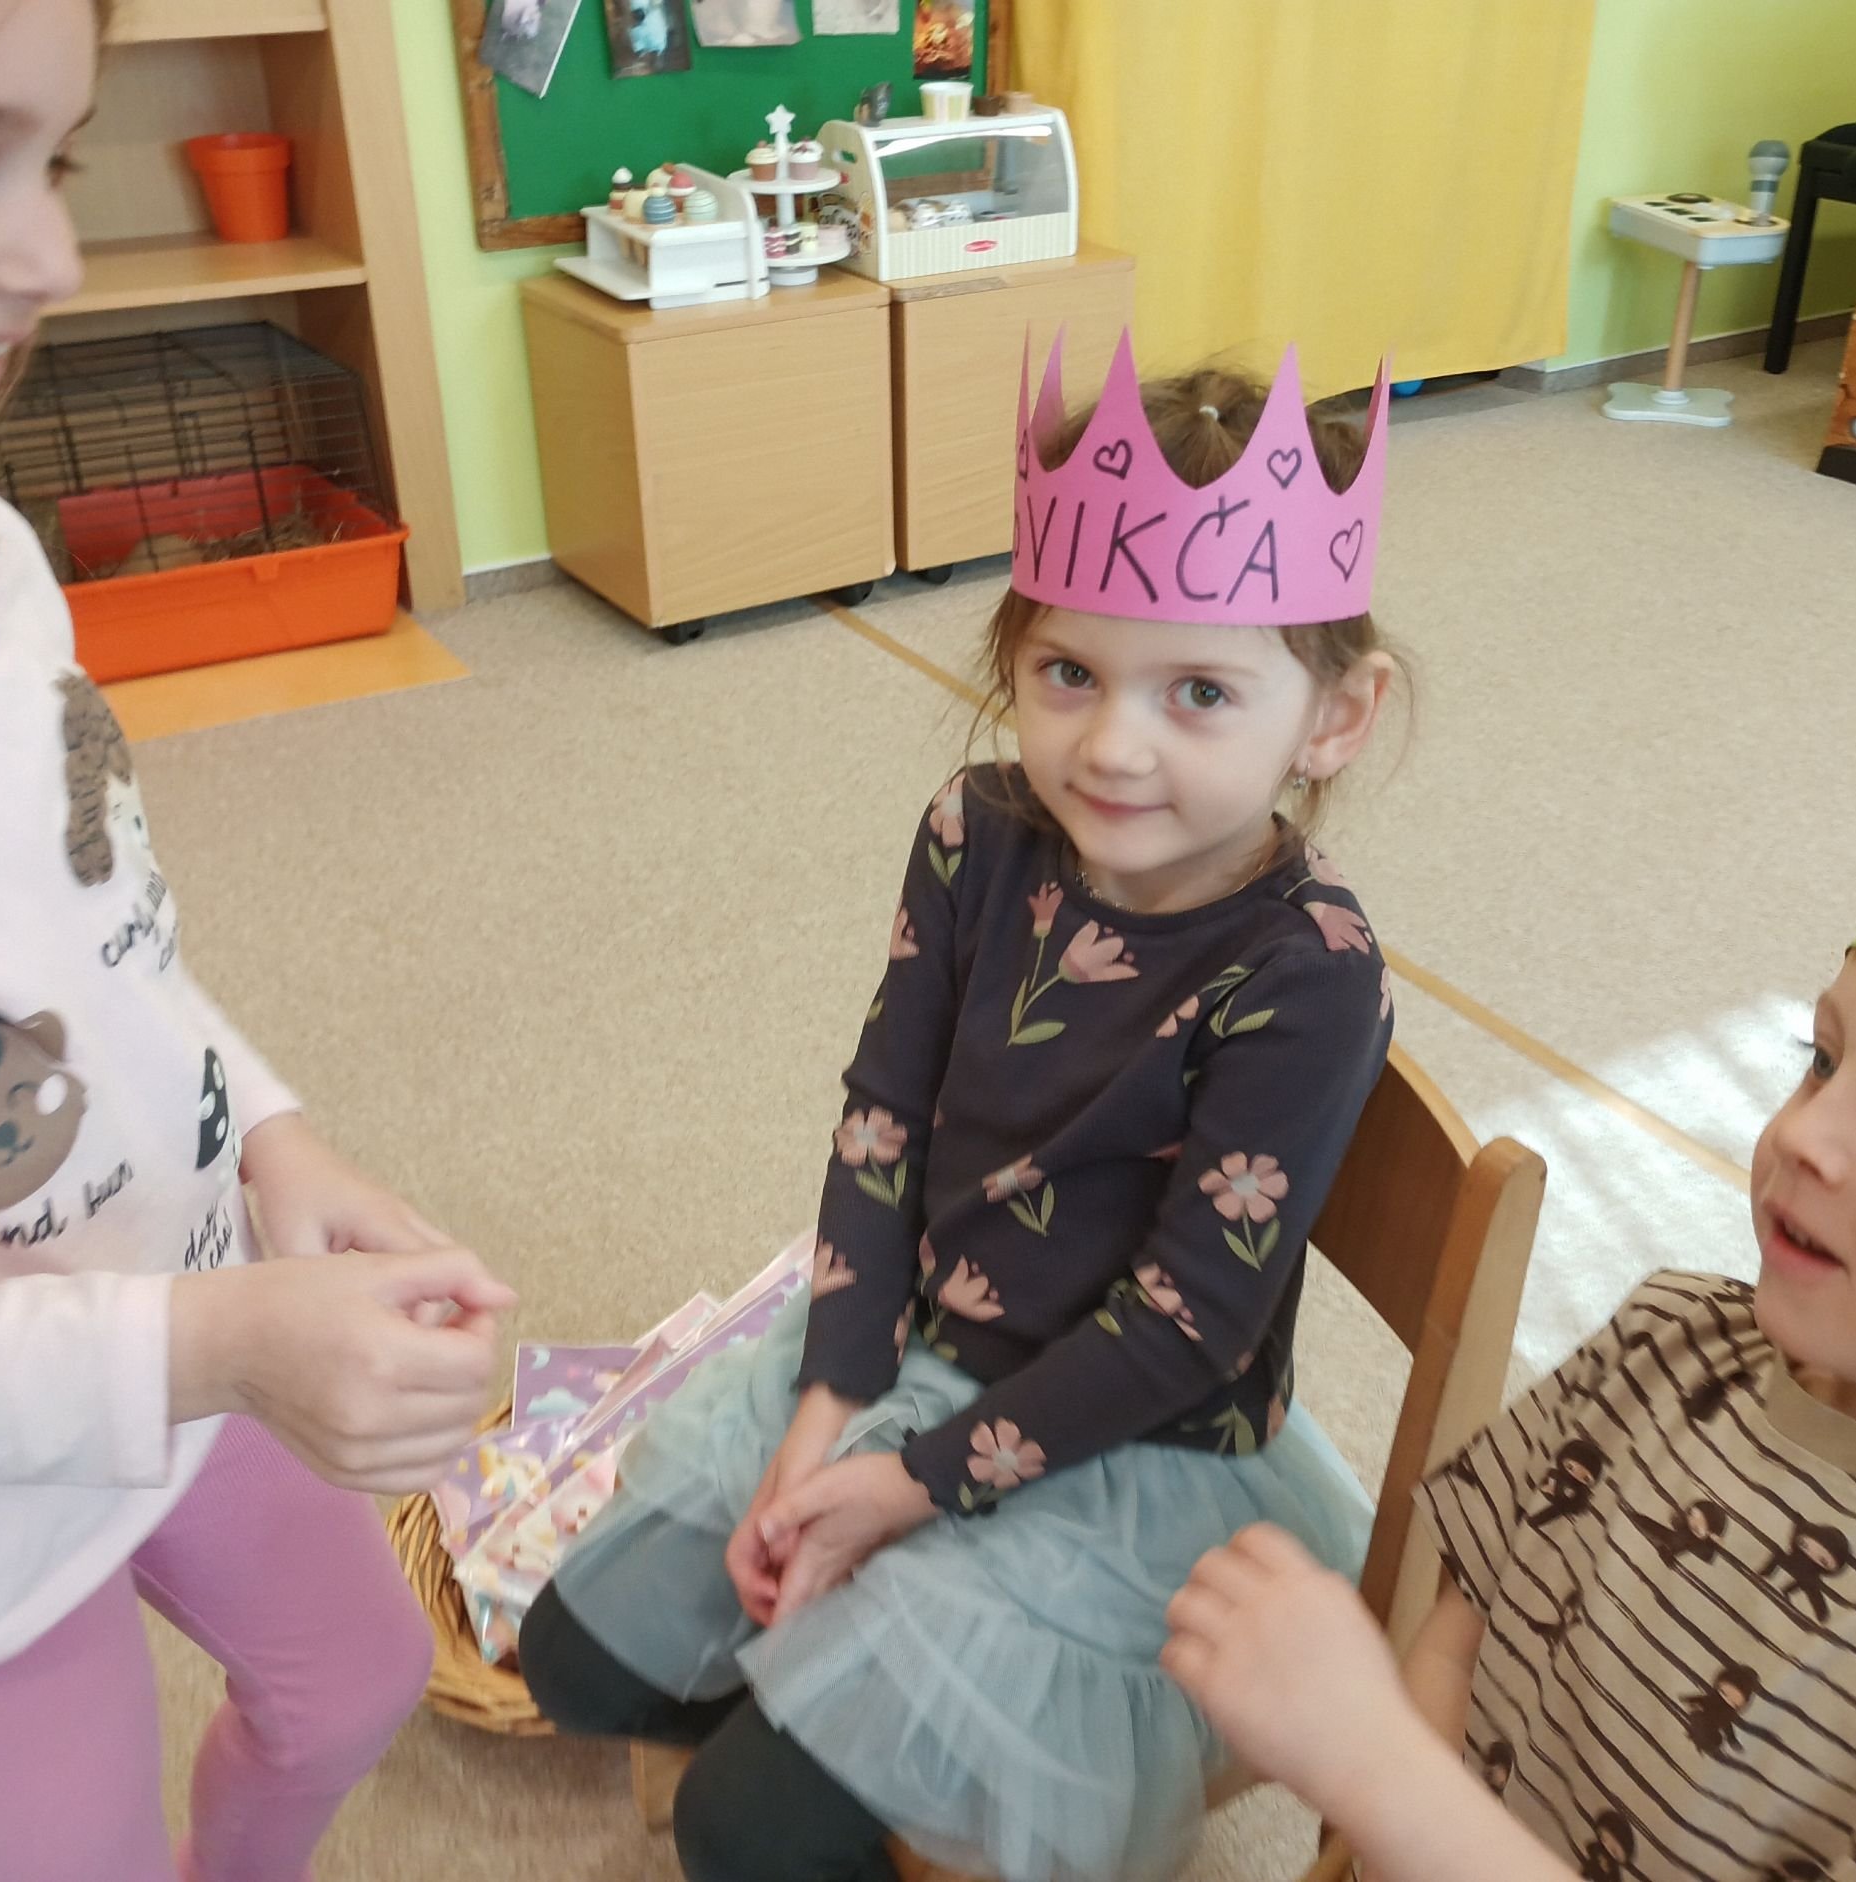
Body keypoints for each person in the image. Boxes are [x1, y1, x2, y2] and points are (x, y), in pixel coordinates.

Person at [0, 3, 515, 1877]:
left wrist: (275, 1134)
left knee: (358, 1675)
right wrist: (210, 1339)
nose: (51, 256)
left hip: (191, 1330)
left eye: (56, 162)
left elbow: (110, 947)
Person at [522, 333, 1406, 1882]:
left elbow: (1185, 1328)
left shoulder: (1307, 970)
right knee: (574, 1663)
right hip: (920, 1353)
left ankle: (856, 1720)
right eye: (1069, 673)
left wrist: (905, 1488)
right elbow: (884, 1126)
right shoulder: (977, 831)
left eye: (1201, 691)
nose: (1112, 745)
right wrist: (826, 1406)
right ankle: (838, 1687)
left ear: (1333, 716)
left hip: (1126, 1439)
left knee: (744, 1832)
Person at [1165, 730, 1856, 1879]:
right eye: (1823, 1059)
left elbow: (1398, 1770)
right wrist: (1381, 1788)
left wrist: (1367, 1762)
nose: (1803, 1134)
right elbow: (1459, 1652)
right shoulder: (1667, 1346)